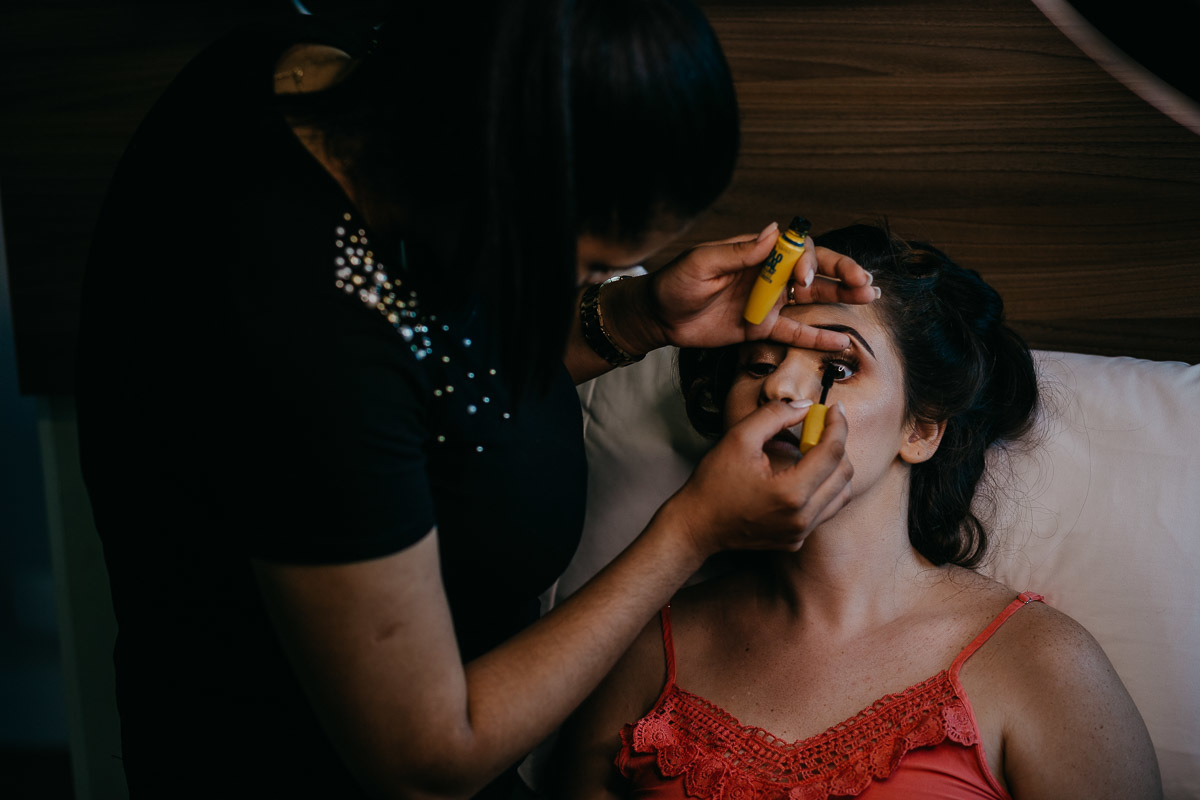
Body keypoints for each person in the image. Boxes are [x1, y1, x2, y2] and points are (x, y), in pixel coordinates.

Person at [74, 2, 879, 797]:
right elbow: (425, 760)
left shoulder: (364, 80)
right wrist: (690, 532)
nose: (591, 284)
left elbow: (443, 381)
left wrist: (633, 317)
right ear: (497, 186)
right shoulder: (299, 338)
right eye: (590, 265)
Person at [555, 223, 1162, 798]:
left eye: (837, 368)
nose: (779, 389)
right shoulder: (641, 654)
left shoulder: (1041, 663)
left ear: (920, 431)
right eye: (758, 365)